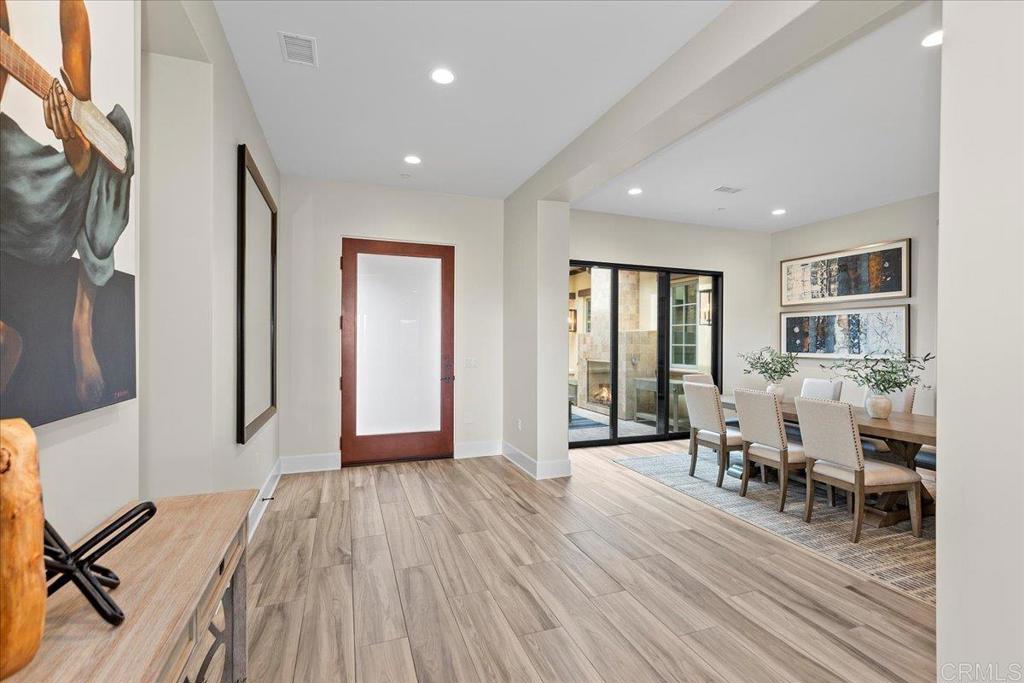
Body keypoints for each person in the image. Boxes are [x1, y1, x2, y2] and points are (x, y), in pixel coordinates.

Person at [0, 0, 134, 410]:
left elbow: (82, 158)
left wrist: (74, 137)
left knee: (117, 140)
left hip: (45, 204)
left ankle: (82, 321)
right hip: (15, 213)